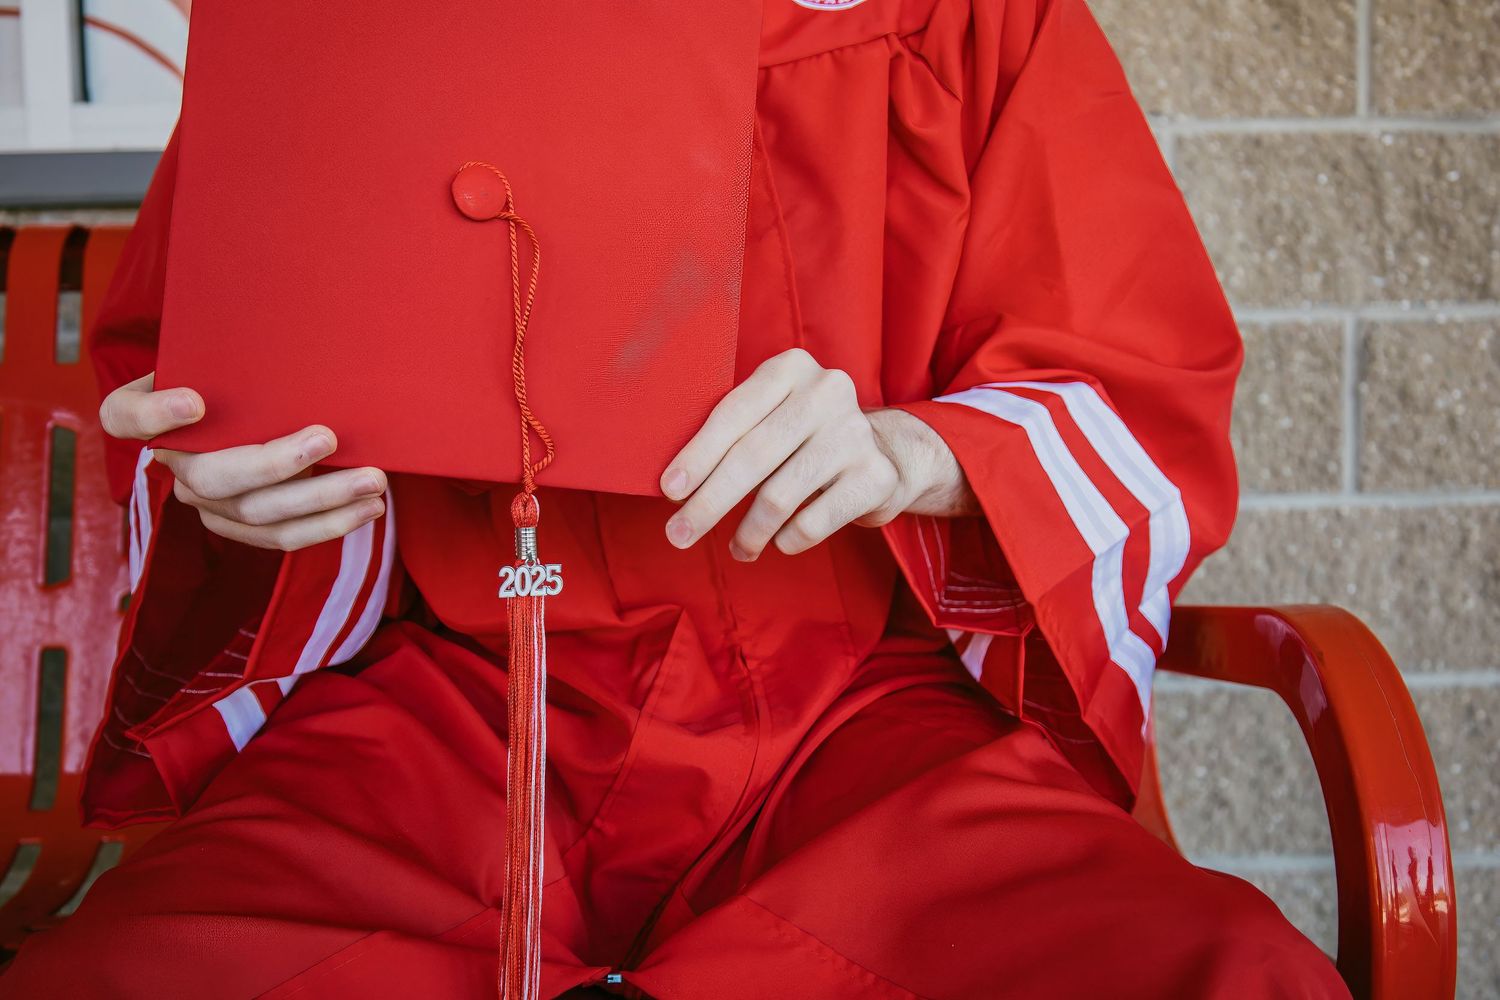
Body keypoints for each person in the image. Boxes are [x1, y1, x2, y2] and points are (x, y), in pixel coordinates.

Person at [0, 0, 1352, 996]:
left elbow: (1135, 378)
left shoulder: (958, 23)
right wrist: (234, 488)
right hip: (451, 703)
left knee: (1216, 975)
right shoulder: (348, 30)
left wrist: (914, 451)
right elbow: (203, 395)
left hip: (861, 721)